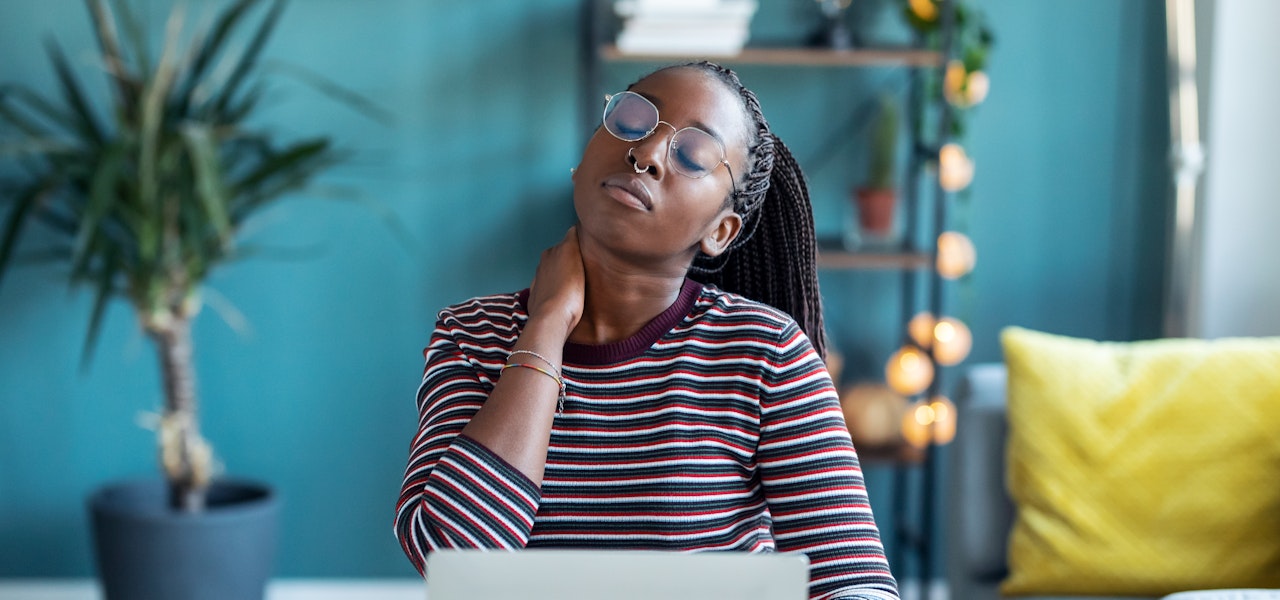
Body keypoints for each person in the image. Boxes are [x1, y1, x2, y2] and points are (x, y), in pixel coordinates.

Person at [395, 61, 899, 600]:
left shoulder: (766, 353)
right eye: (633, 120)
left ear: (720, 231)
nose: (647, 153)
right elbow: (451, 559)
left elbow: (855, 585)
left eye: (693, 156)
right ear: (583, 157)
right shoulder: (472, 335)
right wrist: (544, 328)